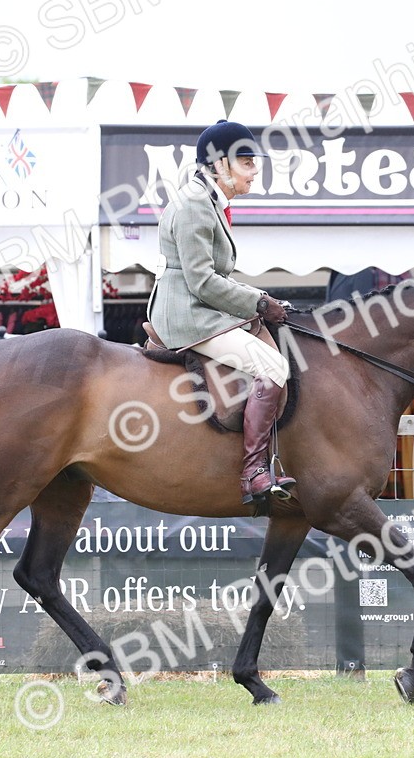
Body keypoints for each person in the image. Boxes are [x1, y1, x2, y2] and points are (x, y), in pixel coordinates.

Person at [147, 120, 295, 506]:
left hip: (198, 304)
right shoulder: (196, 204)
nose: (254, 169)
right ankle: (253, 470)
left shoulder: (207, 200)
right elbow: (201, 281)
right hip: (188, 313)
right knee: (274, 367)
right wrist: (259, 304)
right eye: (245, 162)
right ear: (218, 165)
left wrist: (259, 296)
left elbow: (216, 276)